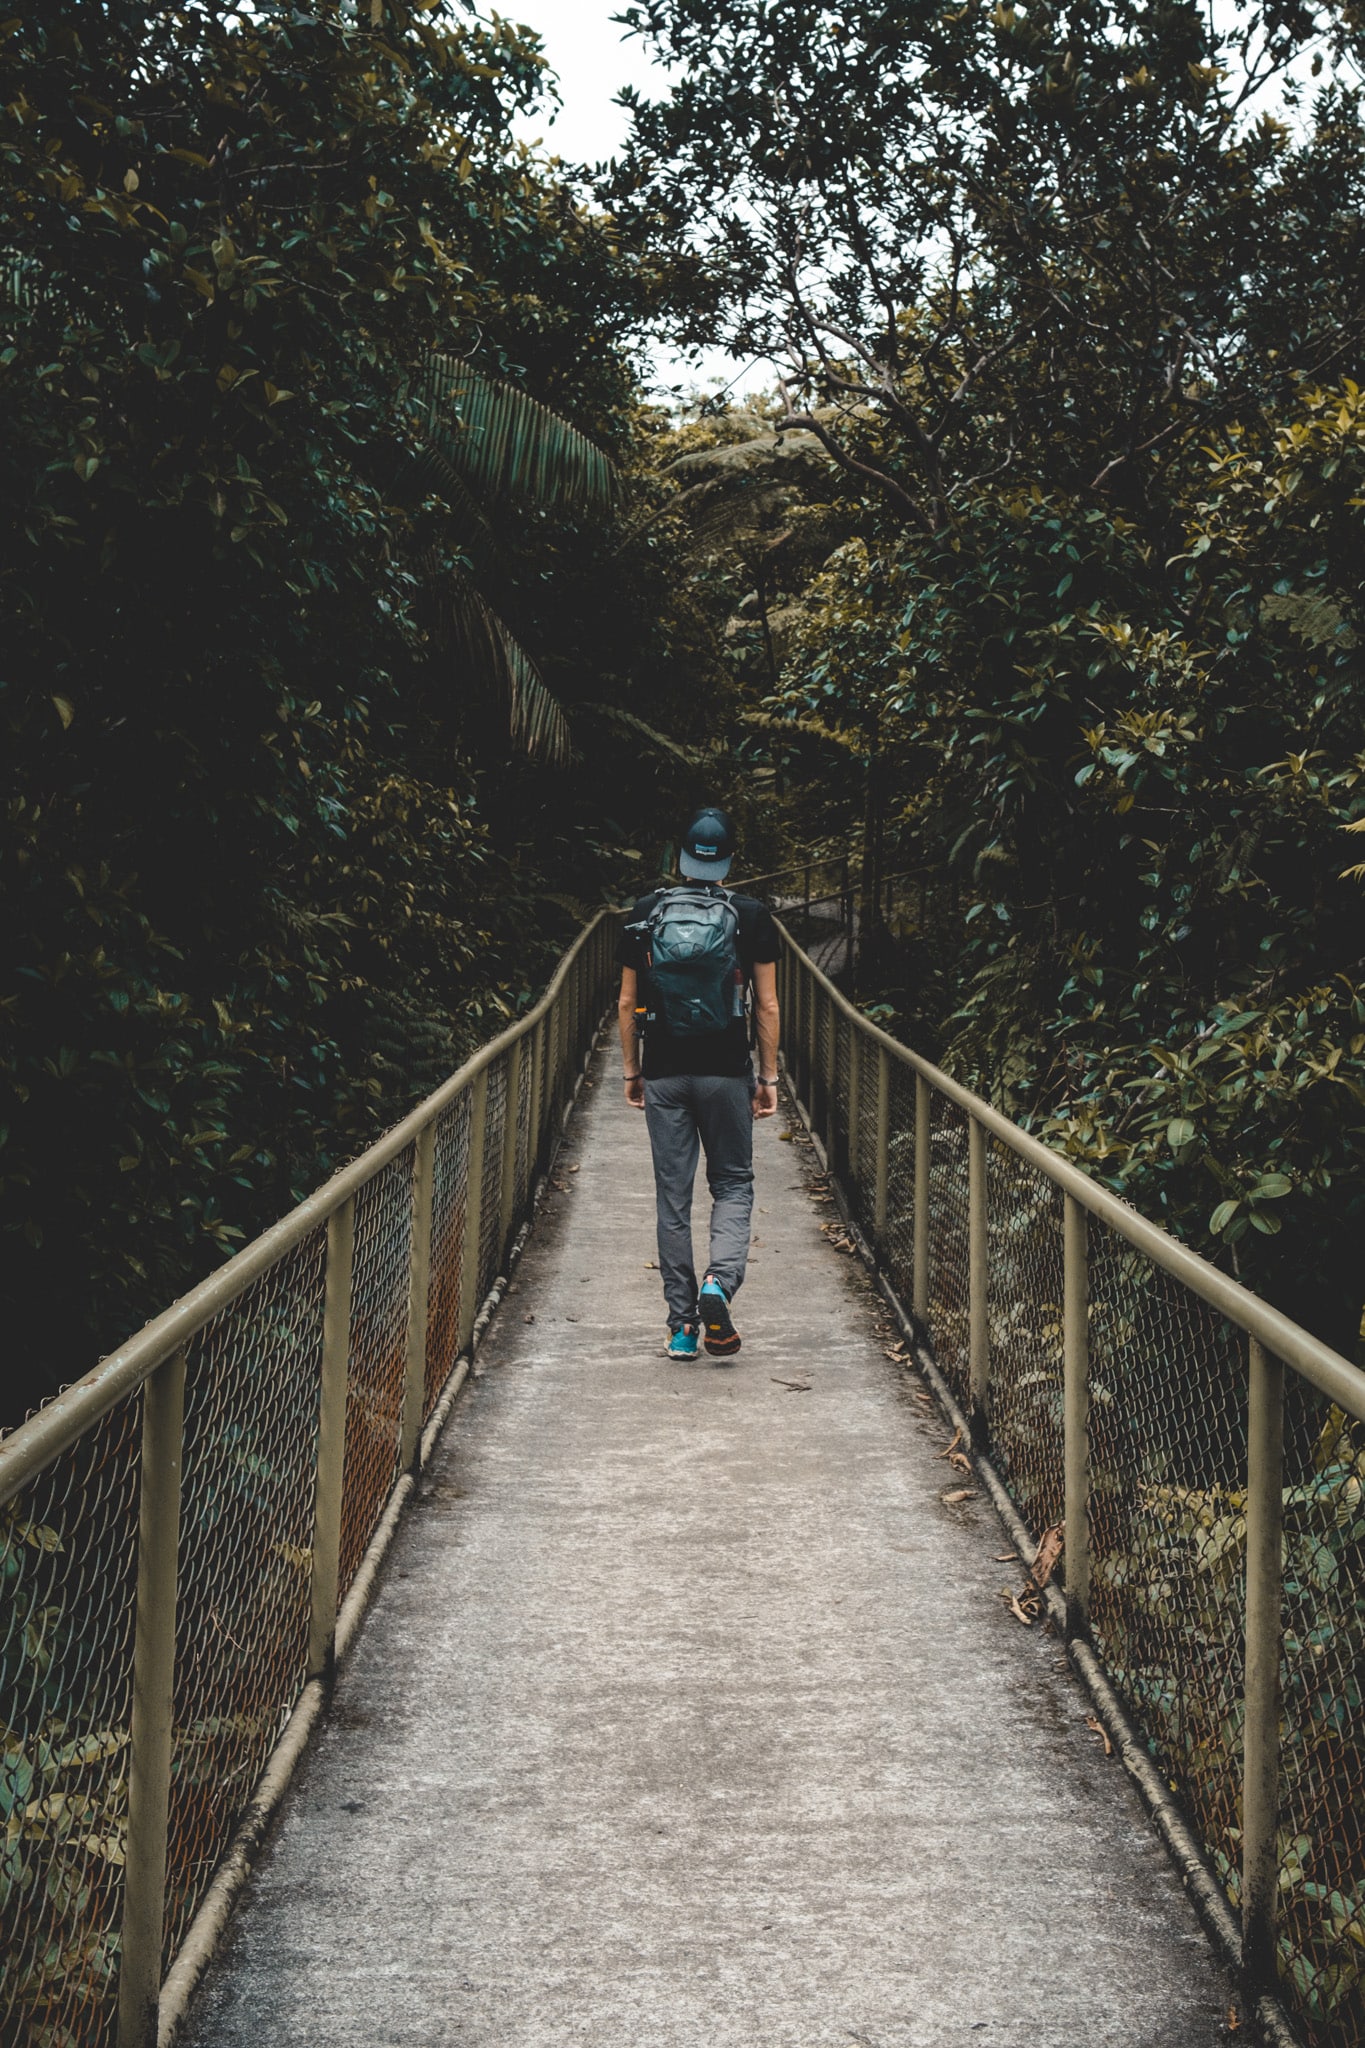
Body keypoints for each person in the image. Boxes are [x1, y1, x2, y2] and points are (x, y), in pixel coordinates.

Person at [616, 807, 781, 1361]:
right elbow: (767, 1004)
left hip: (663, 1071)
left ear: (680, 856)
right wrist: (768, 1077)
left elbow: (624, 1002)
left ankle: (683, 1327)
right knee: (733, 1183)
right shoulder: (751, 914)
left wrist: (632, 1071)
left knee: (673, 1198)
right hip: (726, 1072)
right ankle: (720, 1283)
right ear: (730, 859)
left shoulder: (646, 911)